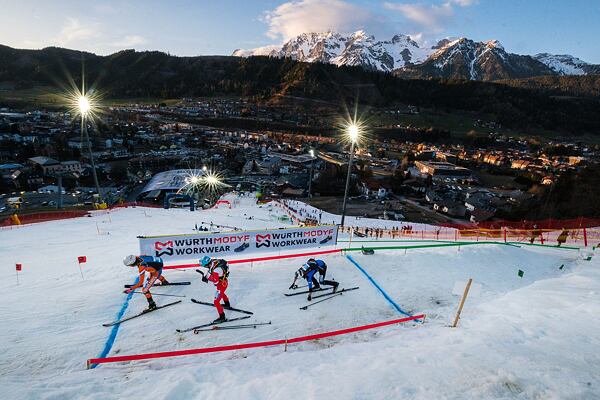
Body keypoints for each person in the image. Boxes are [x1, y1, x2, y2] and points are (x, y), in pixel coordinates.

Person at [198, 255, 230, 322]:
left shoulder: (216, 270)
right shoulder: (213, 261)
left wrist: (207, 279)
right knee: (221, 292)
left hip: (222, 284)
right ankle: (227, 304)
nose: (205, 267)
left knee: (216, 302)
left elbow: (215, 282)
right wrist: (207, 276)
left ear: (207, 264)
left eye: (205, 266)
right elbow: (210, 272)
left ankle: (222, 317)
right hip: (223, 282)